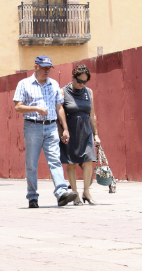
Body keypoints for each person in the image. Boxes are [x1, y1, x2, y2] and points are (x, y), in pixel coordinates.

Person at [13, 55, 78, 208]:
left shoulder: (54, 84)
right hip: (32, 126)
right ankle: (32, 196)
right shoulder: (24, 84)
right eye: (44, 68)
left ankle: (61, 193)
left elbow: (59, 107)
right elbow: (18, 107)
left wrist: (65, 129)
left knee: (55, 160)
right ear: (36, 66)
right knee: (31, 164)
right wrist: (35, 108)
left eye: (49, 68)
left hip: (51, 127)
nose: (47, 71)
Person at [59, 65, 100, 205]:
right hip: (70, 131)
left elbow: (92, 115)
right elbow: (59, 113)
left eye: (85, 81)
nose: (82, 84)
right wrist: (63, 131)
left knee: (89, 161)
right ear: (72, 77)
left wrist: (96, 134)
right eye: (79, 81)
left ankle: (86, 192)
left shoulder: (89, 92)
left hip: (86, 131)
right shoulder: (63, 92)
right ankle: (75, 194)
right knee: (71, 163)